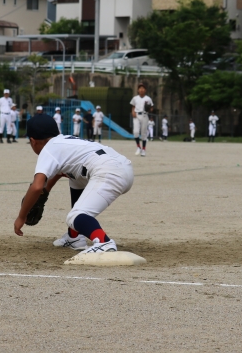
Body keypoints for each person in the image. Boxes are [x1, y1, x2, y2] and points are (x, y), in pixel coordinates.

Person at [15, 114, 134, 254]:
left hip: (108, 172)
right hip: (122, 167)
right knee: (75, 177)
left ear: (33, 141)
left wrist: (21, 217)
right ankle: (75, 237)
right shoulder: (65, 141)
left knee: (75, 215)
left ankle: (104, 242)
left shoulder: (47, 149)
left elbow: (37, 187)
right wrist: (46, 191)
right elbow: (58, 173)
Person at [130, 83, 153, 157]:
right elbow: (133, 106)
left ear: (145, 90)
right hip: (136, 115)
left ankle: (143, 149)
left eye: (143, 88)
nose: (141, 89)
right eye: (140, 88)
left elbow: (151, 108)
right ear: (138, 90)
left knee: (143, 133)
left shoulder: (148, 98)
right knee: (136, 132)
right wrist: (133, 112)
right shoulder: (135, 98)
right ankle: (138, 147)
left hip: (144, 115)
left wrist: (149, 109)